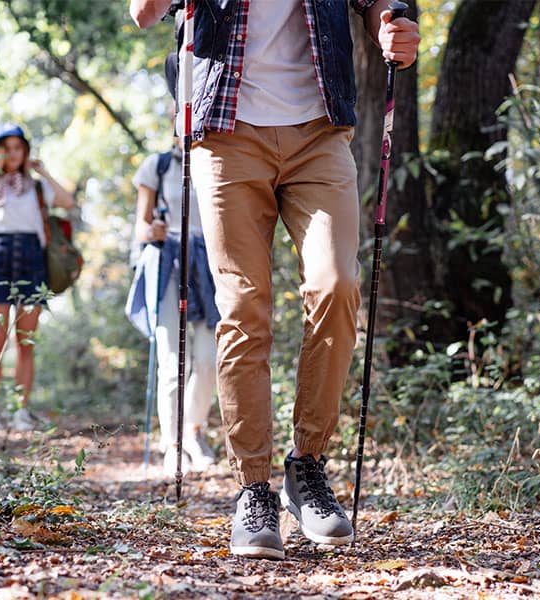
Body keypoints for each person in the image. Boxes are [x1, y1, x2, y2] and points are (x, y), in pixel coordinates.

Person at [130, 0, 419, 559]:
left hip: (319, 131)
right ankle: (253, 488)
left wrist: (392, 28)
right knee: (243, 306)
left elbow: (380, 4)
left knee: (337, 286)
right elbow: (143, 13)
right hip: (225, 132)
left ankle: (306, 467)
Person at [129, 53, 220, 476]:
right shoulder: (158, 165)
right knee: (171, 358)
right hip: (167, 264)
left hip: (210, 264)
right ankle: (171, 445)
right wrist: (154, 232)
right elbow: (142, 227)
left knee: (207, 359)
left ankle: (195, 431)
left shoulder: (219, 160)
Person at [0, 123, 76, 432]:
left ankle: (20, 410)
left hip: (32, 260)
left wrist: (43, 172)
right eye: (7, 147)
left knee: (25, 341)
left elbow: (68, 202)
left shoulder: (36, 187)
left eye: (19, 147)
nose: (14, 153)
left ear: (25, 151)